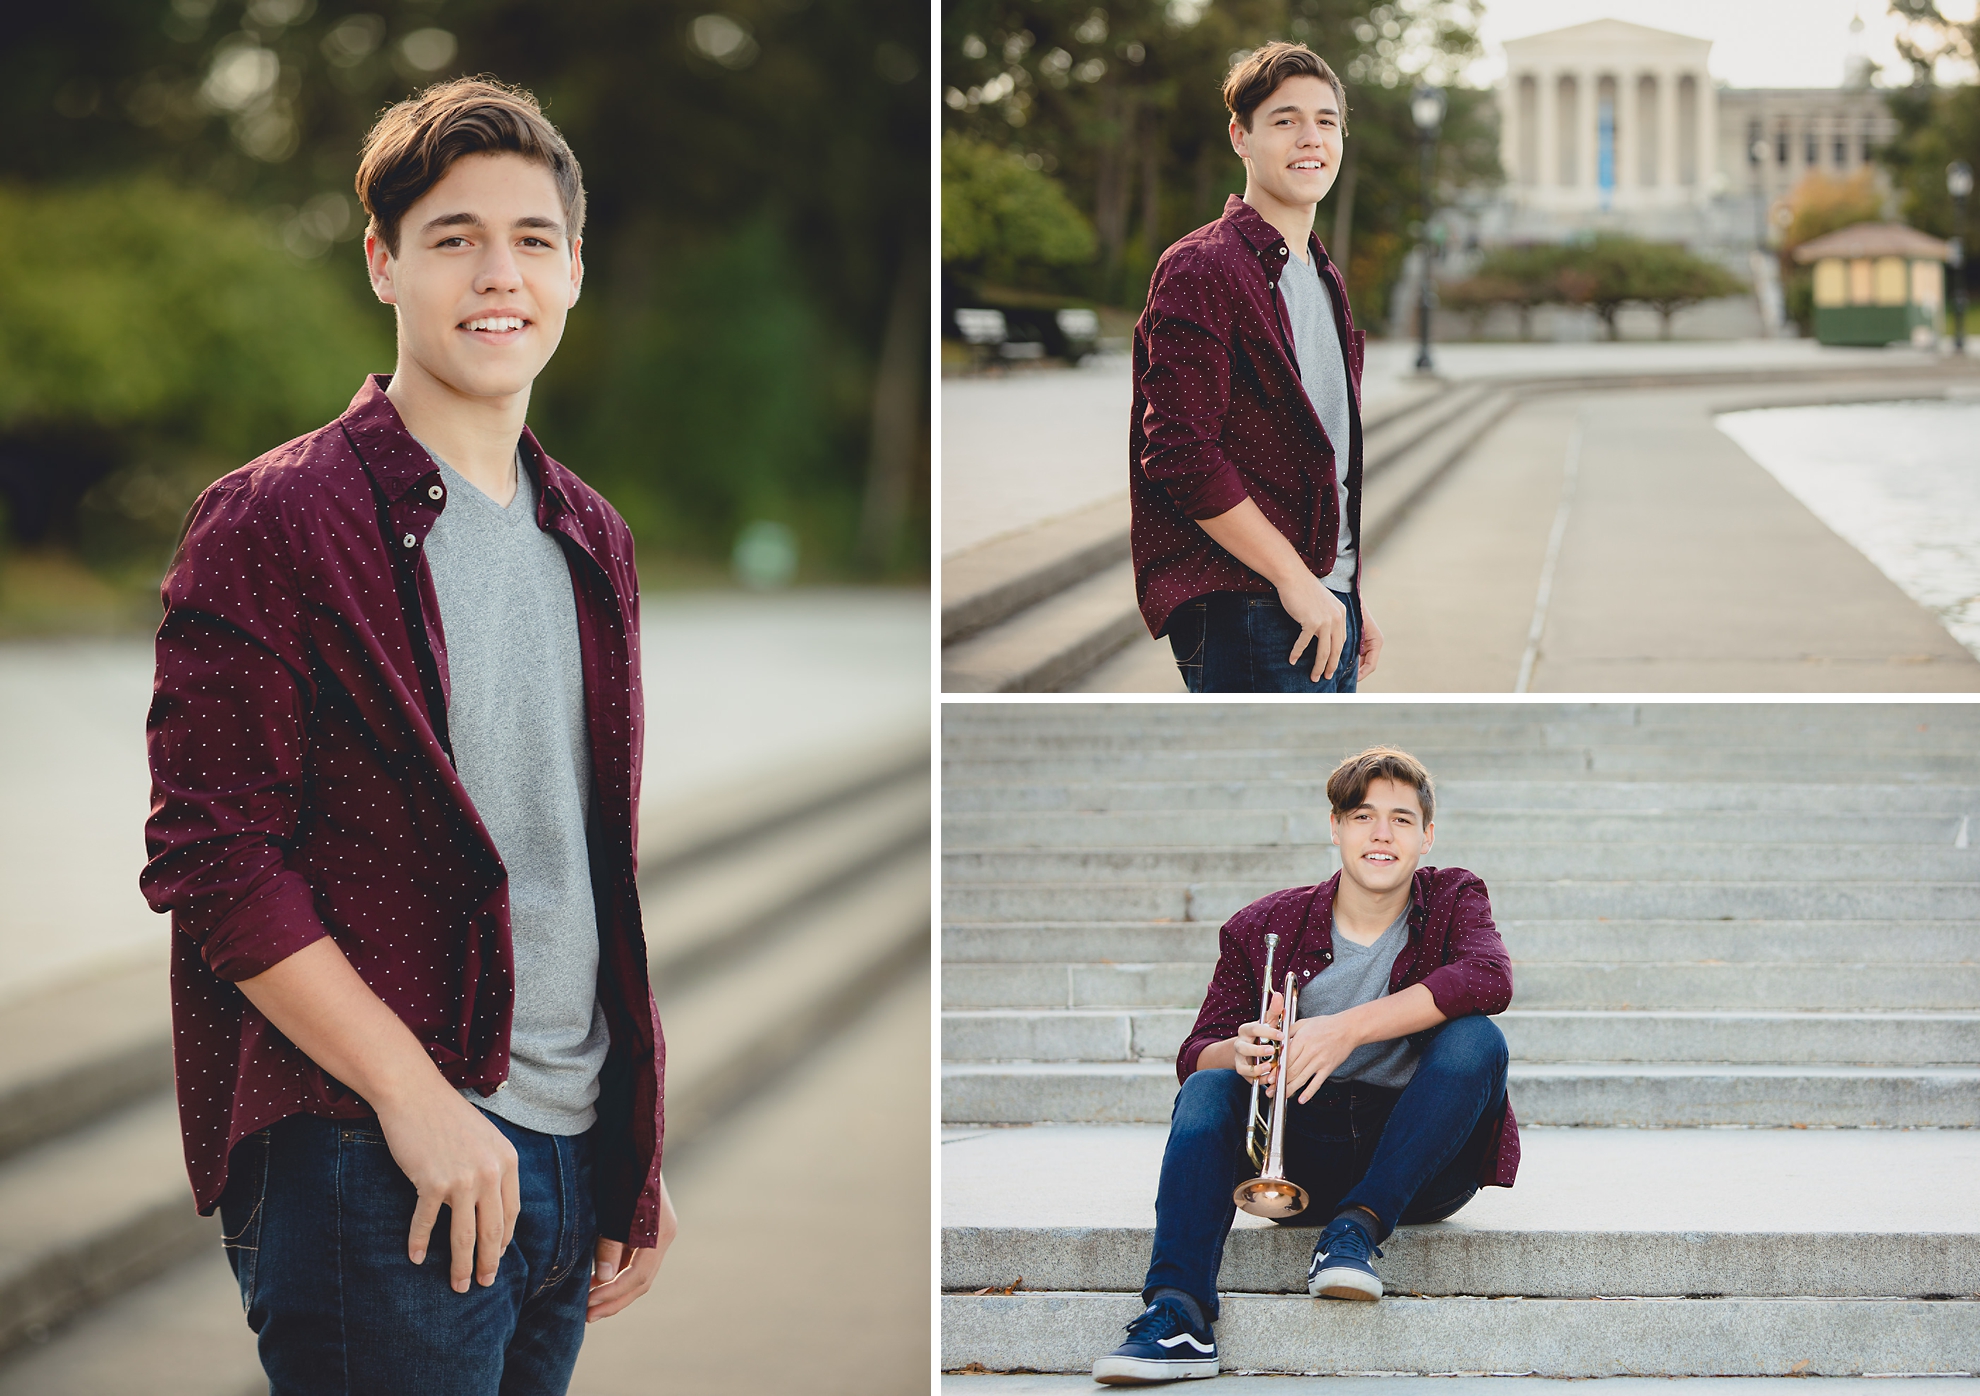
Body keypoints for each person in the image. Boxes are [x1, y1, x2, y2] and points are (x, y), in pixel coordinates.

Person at [139, 78, 675, 1395]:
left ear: (576, 269)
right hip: (374, 1152)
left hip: (563, 1155)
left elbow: (586, 866)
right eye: (453, 238)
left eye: (533, 240)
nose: (500, 274)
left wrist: (629, 1147)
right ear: (383, 261)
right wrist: (419, 1101)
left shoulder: (591, 534)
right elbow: (213, 860)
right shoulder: (274, 519)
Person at [1093, 748, 1518, 1385]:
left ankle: (1357, 1229)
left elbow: (1489, 979)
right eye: (1363, 815)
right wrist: (1239, 1052)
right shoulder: (1263, 924)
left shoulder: (1453, 897)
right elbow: (1195, 1051)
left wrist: (1344, 1030)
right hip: (1297, 1157)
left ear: (1427, 837)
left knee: (1478, 1039)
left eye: (1402, 820)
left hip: (1419, 1163)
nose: (1381, 833)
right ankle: (1177, 1313)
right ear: (1336, 827)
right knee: (1210, 1086)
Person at [1130, 41, 1385, 693]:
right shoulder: (1203, 266)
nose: (1311, 138)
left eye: (1326, 121)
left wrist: (1348, 587)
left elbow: (1324, 456)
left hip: (1323, 603)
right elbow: (1181, 451)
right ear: (1240, 137)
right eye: (1285, 120)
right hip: (1251, 604)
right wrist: (1298, 581)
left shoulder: (1321, 275)